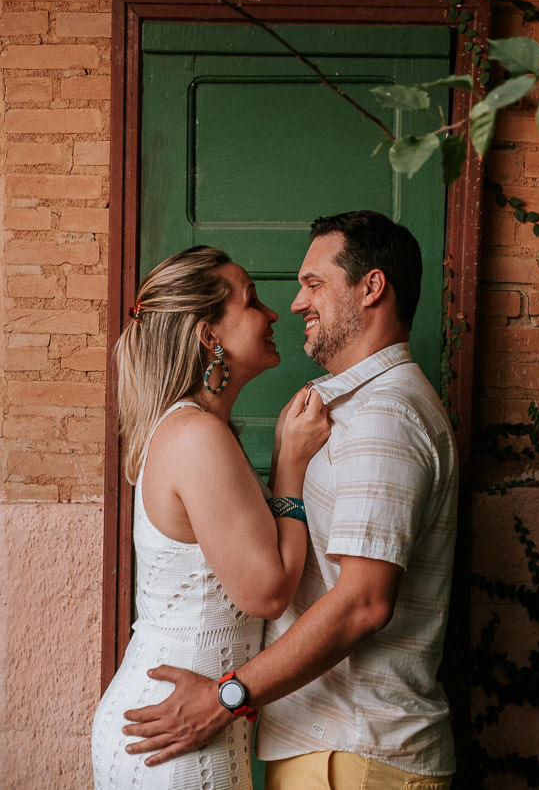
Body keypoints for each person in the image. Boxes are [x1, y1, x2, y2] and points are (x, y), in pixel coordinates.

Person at [123, 212, 459, 789]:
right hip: (323, 752)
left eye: (313, 284)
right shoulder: (340, 411)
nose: (294, 305)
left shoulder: (383, 417)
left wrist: (228, 697)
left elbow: (363, 604)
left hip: (355, 755)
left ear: (371, 288)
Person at [91, 245, 330, 789]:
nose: (273, 314)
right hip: (170, 735)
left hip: (186, 723)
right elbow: (266, 592)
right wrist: (290, 464)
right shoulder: (195, 435)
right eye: (252, 302)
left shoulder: (194, 429)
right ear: (209, 335)